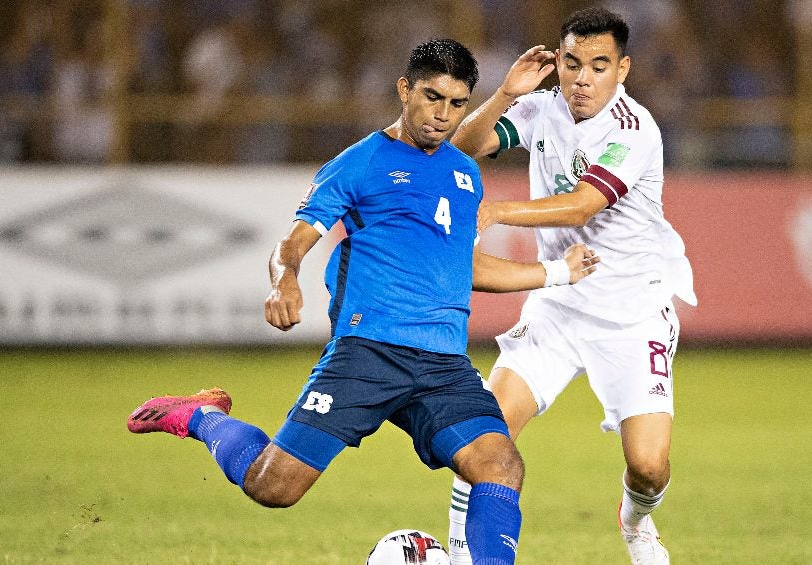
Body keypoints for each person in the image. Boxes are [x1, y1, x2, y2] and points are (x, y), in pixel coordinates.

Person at [126, 38, 598, 565]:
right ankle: (201, 417)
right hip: (368, 352)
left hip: (443, 364)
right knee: (273, 487)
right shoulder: (362, 162)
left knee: (500, 464)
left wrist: (556, 273)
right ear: (404, 90)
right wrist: (285, 280)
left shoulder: (464, 177)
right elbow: (293, 243)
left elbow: (465, 270)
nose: (442, 116)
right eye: (431, 97)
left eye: (456, 104)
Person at [444, 9, 696, 565]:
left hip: (634, 311)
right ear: (558, 62)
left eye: (598, 66)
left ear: (622, 69)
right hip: (560, 299)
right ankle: (463, 555)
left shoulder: (636, 131)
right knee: (485, 434)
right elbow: (463, 147)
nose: (582, 78)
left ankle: (635, 521)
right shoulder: (541, 108)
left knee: (649, 467)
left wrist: (499, 210)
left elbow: (584, 202)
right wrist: (506, 93)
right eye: (572, 63)